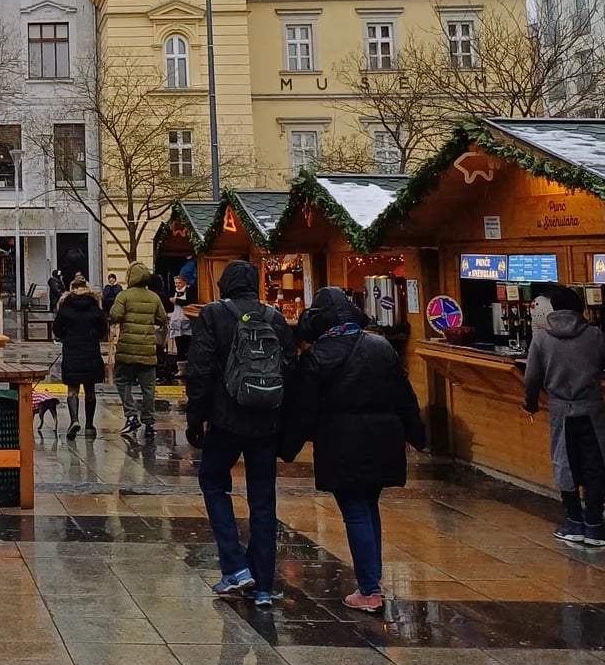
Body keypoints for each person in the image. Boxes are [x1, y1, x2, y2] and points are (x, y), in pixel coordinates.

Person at [282, 287, 427, 614]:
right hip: (383, 438)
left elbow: (302, 410)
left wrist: (286, 447)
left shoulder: (317, 356)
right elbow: (405, 395)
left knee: (356, 512)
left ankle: (370, 590)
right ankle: (371, 577)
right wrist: (416, 436)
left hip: (341, 441)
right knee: (368, 508)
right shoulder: (381, 346)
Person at [186, 260, 294, 606]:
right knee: (263, 500)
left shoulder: (213, 315)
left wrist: (196, 418)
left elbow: (200, 370)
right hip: (267, 422)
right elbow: (289, 368)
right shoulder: (274, 317)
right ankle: (263, 586)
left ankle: (235, 566)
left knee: (214, 482)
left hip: (226, 420)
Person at [524, 283, 605, 548]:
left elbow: (532, 377)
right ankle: (594, 527)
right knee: (595, 466)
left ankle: (572, 523)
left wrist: (531, 404)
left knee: (565, 464)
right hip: (591, 410)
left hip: (561, 412)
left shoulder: (541, 339)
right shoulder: (593, 335)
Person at [109, 263, 168, 437]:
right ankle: (149, 424)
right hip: (147, 350)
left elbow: (115, 316)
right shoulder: (154, 297)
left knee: (123, 382)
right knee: (148, 387)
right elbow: (162, 318)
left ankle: (131, 415)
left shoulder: (124, 295)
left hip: (126, 348)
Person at [53, 276, 109, 437]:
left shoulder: (66, 306)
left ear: (72, 288)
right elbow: (102, 328)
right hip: (91, 350)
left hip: (72, 350)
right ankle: (90, 425)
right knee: (90, 389)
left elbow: (57, 328)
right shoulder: (94, 305)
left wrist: (65, 336)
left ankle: (74, 420)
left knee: (72, 388)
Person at [170, 273, 195, 374]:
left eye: (179, 283)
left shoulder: (190, 291)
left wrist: (177, 301)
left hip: (187, 320)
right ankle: (181, 368)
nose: (177, 285)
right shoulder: (173, 292)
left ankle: (190, 368)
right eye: (176, 283)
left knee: (188, 345)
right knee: (179, 345)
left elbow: (190, 302)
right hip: (176, 319)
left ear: (184, 282)